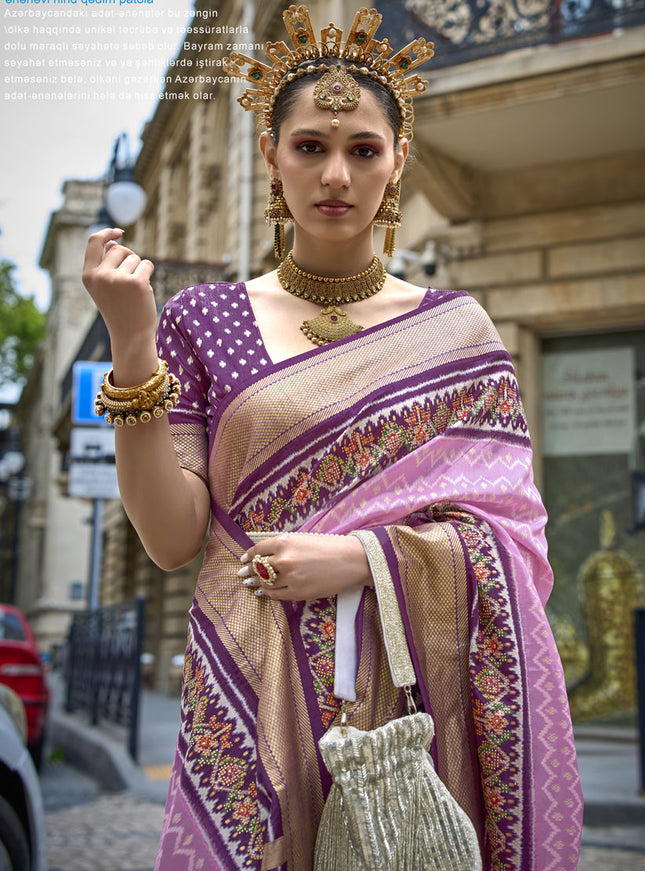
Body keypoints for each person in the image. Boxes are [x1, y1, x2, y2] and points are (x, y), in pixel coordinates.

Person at [82, 6, 583, 870]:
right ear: (273, 158)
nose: (336, 174)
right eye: (311, 145)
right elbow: (169, 539)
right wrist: (132, 347)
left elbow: (514, 538)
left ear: (397, 165)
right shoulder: (209, 318)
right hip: (251, 675)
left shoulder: (456, 330)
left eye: (363, 149)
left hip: (410, 697)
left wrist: (365, 560)